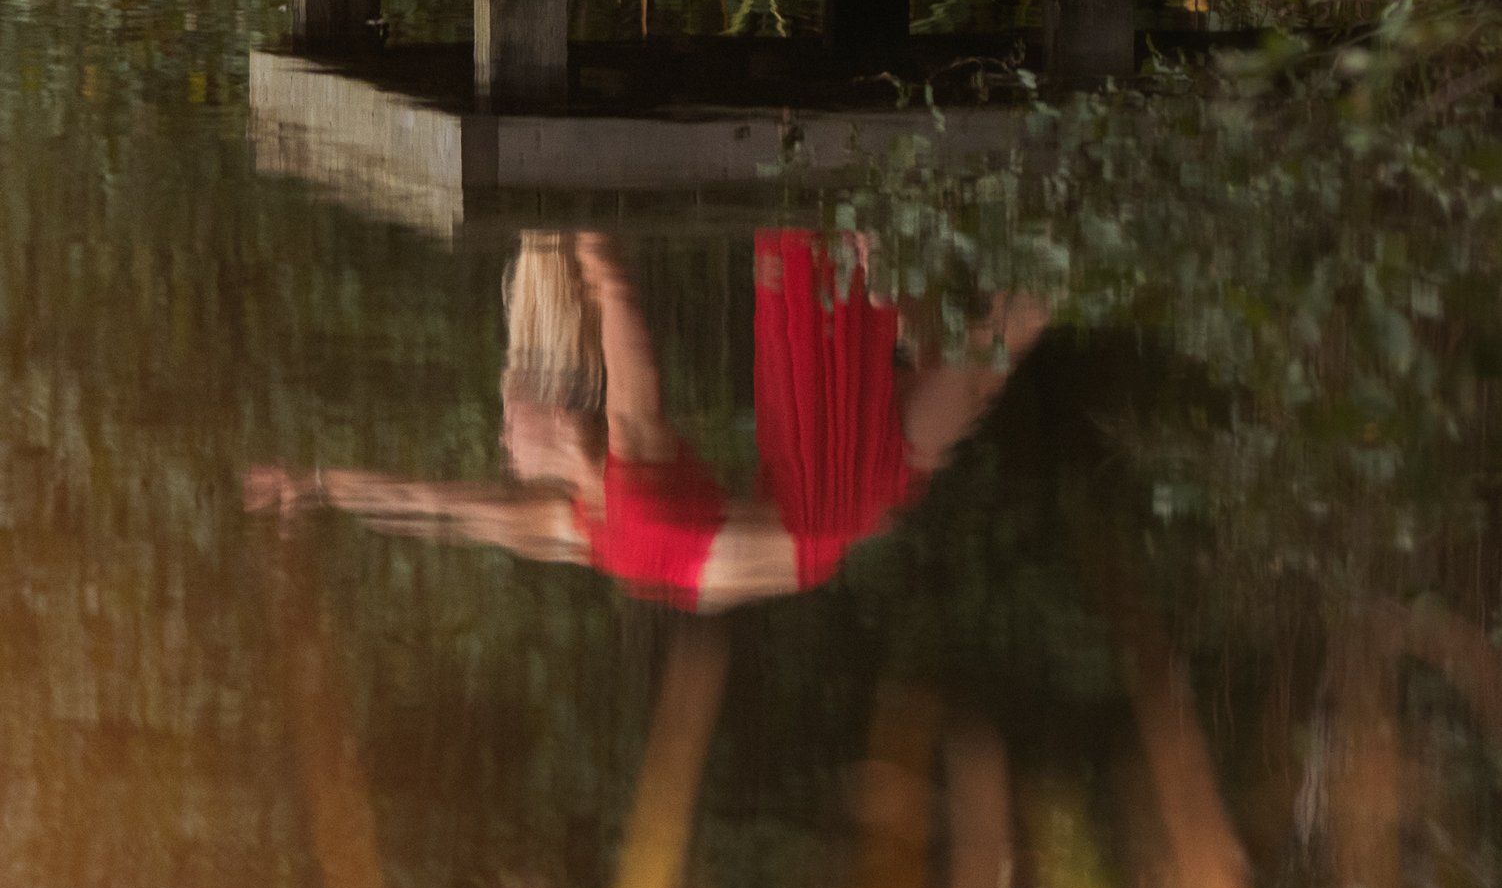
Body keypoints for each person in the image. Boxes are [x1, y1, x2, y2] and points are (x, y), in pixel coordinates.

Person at [244, 229, 1049, 613]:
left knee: (987, 354)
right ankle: (930, 275)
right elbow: (627, 324)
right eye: (505, 420)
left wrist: (318, 486)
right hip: (822, 501)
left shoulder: (578, 530)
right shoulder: (625, 478)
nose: (498, 437)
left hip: (849, 512)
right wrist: (593, 254)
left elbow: (437, 508)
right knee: (845, 257)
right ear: (561, 410)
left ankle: (1081, 226)